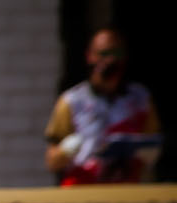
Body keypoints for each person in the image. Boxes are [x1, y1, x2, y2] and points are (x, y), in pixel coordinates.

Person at [46, 29, 161, 186]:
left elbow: (154, 147)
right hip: (81, 191)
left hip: (128, 191)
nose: (110, 60)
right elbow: (52, 162)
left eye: (117, 53)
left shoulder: (140, 99)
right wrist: (65, 151)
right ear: (90, 56)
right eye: (104, 53)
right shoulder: (72, 101)